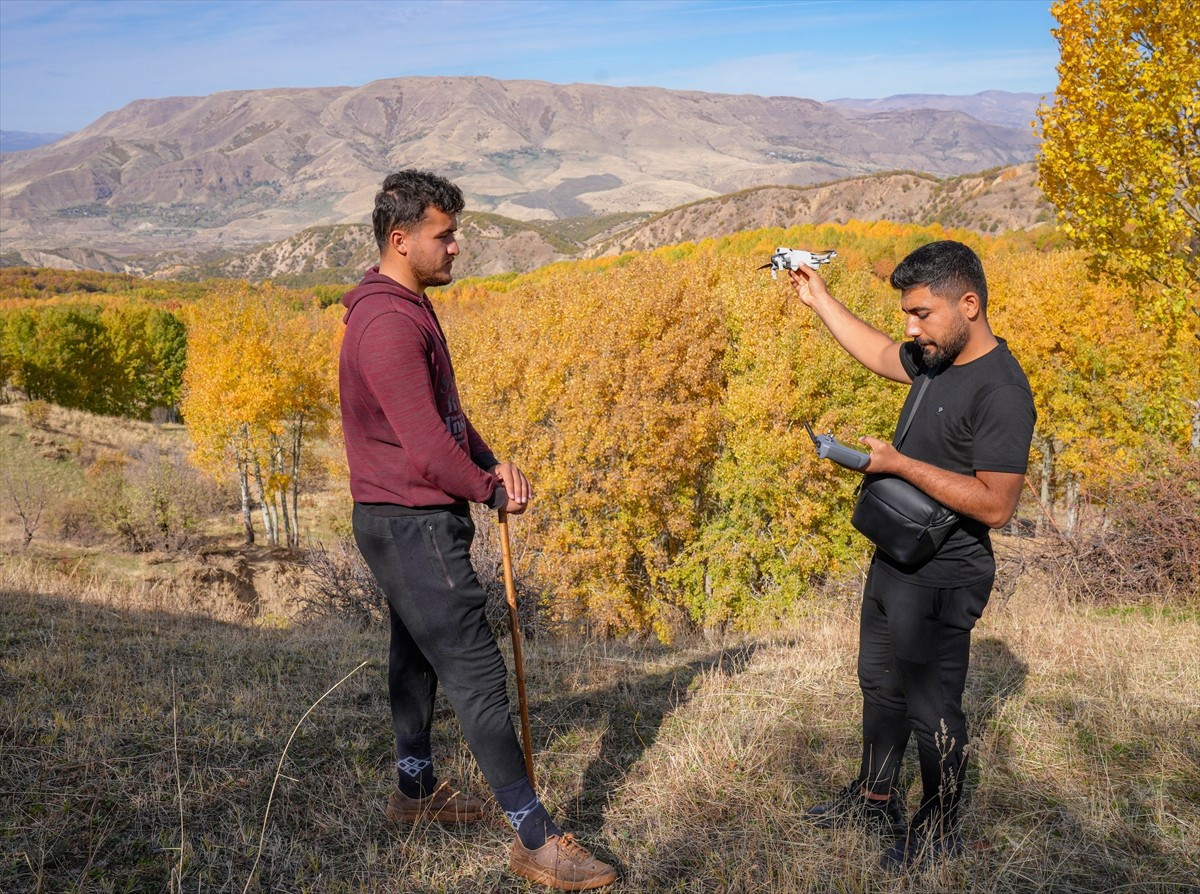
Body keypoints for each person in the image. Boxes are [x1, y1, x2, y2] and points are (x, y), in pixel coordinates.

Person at [339, 169, 618, 890]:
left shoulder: (403, 307)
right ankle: (535, 837)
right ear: (400, 241)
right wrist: (487, 488)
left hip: (400, 517)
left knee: (416, 654)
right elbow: (429, 449)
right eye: (446, 235)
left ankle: (416, 789)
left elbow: (445, 418)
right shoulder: (389, 324)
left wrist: (489, 459)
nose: (457, 248)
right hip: (412, 523)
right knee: (477, 674)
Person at [787, 240, 1035, 868]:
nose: (909, 327)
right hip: (895, 559)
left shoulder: (1002, 390)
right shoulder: (934, 357)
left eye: (922, 313)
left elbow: (996, 505)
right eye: (907, 313)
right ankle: (872, 797)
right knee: (878, 684)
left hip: (945, 576)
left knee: (933, 710)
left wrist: (898, 464)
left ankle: (938, 830)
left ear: (969, 305)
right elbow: (874, 350)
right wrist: (819, 298)